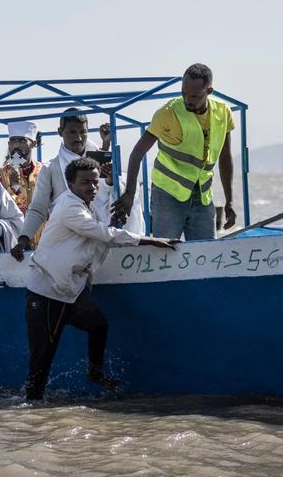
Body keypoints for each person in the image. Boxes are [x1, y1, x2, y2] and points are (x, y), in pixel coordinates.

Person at [12, 156, 174, 401]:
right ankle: (31, 411)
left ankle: (95, 373)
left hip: (71, 289)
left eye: (96, 183)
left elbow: (104, 226)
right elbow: (102, 233)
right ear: (70, 185)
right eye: (86, 183)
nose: (92, 188)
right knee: (42, 361)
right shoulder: (69, 206)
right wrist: (149, 240)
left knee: (98, 324)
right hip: (46, 292)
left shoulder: (86, 205)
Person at [110, 64, 237, 240]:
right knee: (166, 251)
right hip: (167, 194)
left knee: (206, 252)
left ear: (209, 91)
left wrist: (229, 200)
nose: (188, 100)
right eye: (184, 93)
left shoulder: (223, 113)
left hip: (202, 195)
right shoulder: (167, 113)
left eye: (194, 96)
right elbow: (137, 153)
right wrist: (130, 193)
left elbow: (225, 157)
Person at [10, 109, 99, 261]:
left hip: (101, 242)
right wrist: (23, 239)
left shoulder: (100, 161)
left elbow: (109, 199)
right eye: (72, 132)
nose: (78, 138)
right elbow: (38, 208)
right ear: (60, 132)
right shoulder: (51, 169)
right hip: (67, 246)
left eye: (82, 132)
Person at [0, 121, 46, 217]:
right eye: (13, 141)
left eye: (21, 141)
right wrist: (14, 189)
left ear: (33, 144)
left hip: (45, 231)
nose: (16, 146)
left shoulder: (45, 172)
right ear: (9, 144)